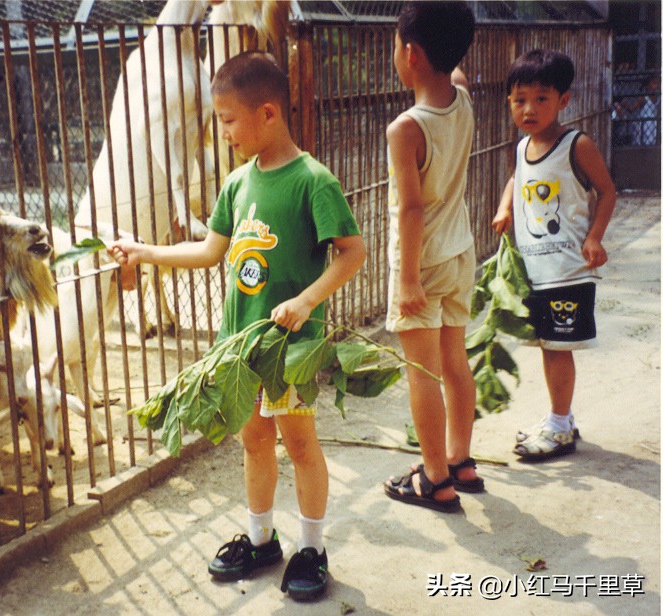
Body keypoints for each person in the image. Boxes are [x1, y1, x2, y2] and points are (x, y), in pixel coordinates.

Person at [110, 51, 365, 601]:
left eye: (227, 119)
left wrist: (306, 300)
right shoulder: (237, 184)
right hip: (242, 347)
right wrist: (143, 250)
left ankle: (313, 548)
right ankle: (261, 539)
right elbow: (209, 251)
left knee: (299, 444)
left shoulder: (312, 181)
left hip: (289, 348)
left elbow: (352, 252)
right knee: (253, 441)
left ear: (267, 113)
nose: (220, 131)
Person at [492, 49, 616, 460]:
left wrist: (595, 238)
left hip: (567, 270)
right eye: (519, 98)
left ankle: (560, 425)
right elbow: (517, 178)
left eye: (541, 98)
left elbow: (607, 190)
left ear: (564, 100)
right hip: (536, 271)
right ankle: (560, 418)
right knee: (548, 345)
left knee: (557, 349)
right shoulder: (522, 146)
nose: (529, 108)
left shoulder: (575, 145)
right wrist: (505, 207)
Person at [381, 1, 480, 513]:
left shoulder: (407, 128)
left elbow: (412, 209)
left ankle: (435, 479)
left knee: (421, 372)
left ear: (411, 53)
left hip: (422, 264)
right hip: (461, 254)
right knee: (455, 361)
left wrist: (408, 281)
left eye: (397, 46)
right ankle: (461, 460)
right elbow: (454, 66)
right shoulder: (463, 99)